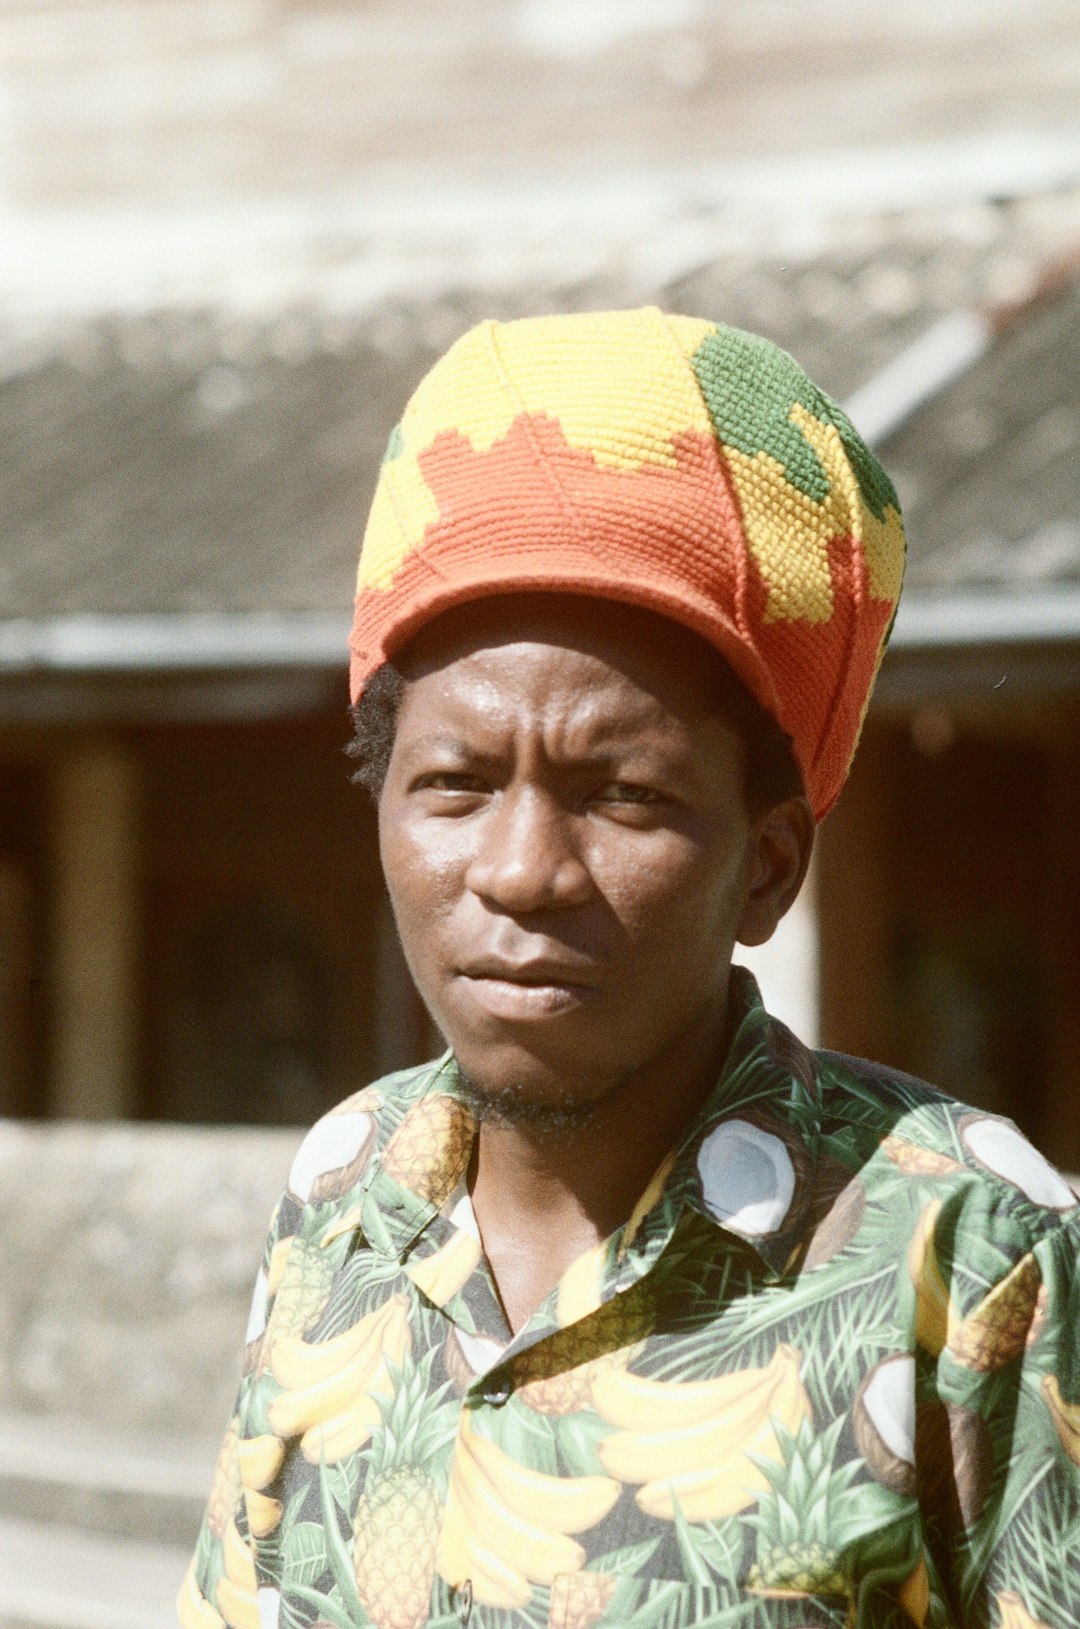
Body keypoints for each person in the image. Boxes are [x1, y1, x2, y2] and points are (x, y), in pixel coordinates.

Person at [179, 310, 1080, 1629]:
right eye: (455, 783)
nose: (525, 867)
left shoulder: (967, 1249)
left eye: (624, 793)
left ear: (767, 866)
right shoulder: (341, 1198)